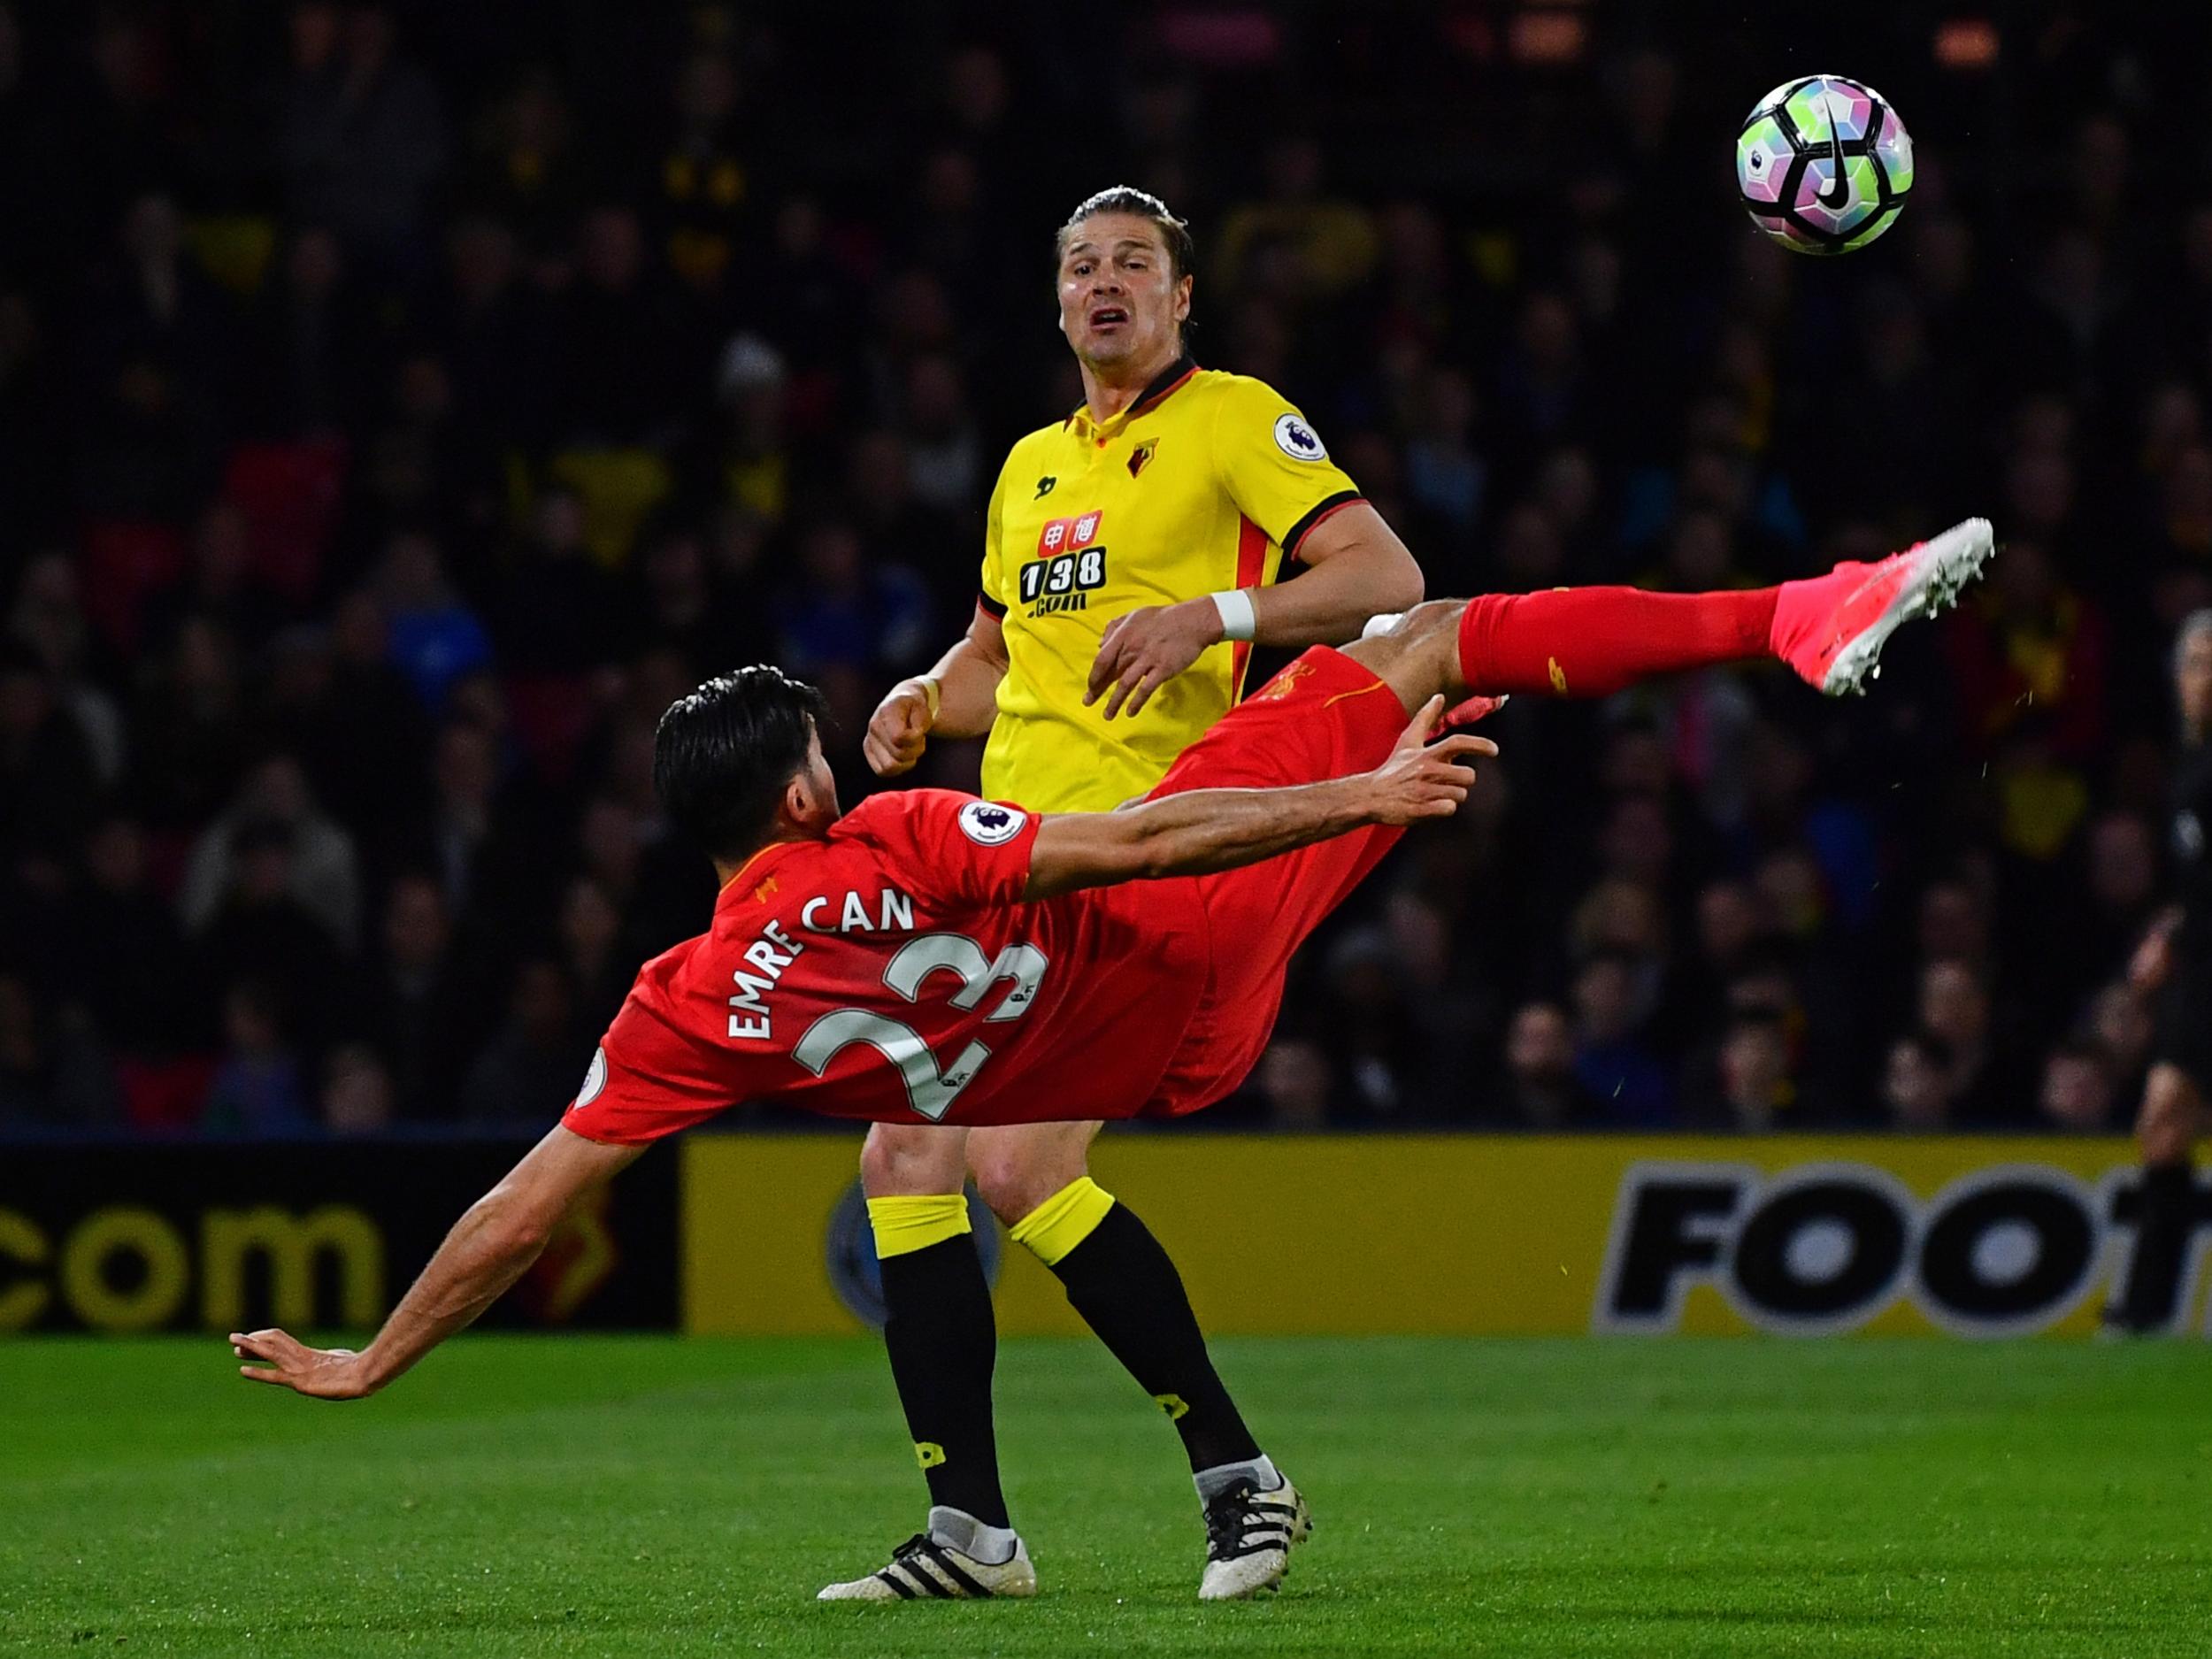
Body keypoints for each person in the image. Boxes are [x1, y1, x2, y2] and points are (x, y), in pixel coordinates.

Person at [231, 527, 1990, 1601]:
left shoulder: (677, 1003)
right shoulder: (900, 833)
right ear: (792, 796)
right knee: (1427, 641)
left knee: (922, 1145)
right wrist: (1352, 800)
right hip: (1183, 949)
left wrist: (377, 1356)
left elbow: (527, 1204)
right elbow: (1138, 854)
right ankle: (1791, 615)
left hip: (1127, 1058)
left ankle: (1049, 1509)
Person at [2107, 611, 2212, 1332]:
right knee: (2163, 1124)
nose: (2203, 677)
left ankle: (2146, 1308)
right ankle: (2144, 1309)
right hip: (2201, 966)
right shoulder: (2191, 767)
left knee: (2167, 1120)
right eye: (2196, 662)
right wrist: (2171, 932)